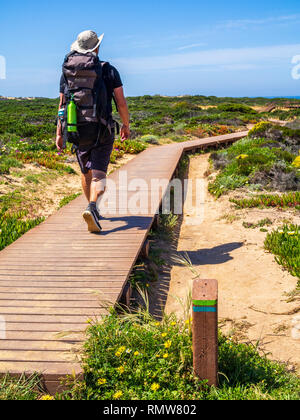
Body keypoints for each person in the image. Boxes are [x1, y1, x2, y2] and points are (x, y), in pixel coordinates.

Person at [56, 30, 130, 232]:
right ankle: (93, 207)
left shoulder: (67, 72)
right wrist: (126, 125)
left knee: (85, 172)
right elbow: (121, 103)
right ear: (96, 47)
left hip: (76, 129)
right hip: (102, 128)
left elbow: (62, 104)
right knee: (99, 174)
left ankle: (91, 208)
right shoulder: (108, 70)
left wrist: (59, 133)